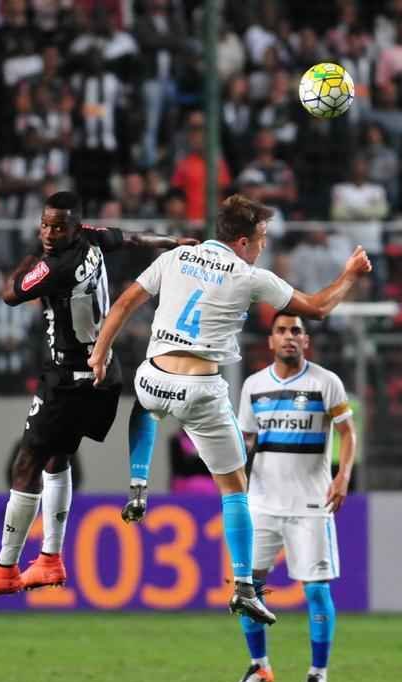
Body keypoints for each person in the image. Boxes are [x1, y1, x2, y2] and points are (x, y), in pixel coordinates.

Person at [87, 194, 371, 627]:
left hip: (152, 375)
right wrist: (350, 274)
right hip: (199, 389)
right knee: (235, 488)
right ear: (241, 241)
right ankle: (243, 586)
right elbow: (317, 308)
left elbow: (125, 303)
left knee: (145, 407)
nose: (261, 247)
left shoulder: (178, 256)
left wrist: (100, 353)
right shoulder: (248, 275)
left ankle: (138, 483)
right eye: (259, 239)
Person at [0, 191, 196, 604]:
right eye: (45, 226)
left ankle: (4, 569)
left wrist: (34, 251)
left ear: (74, 226)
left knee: (26, 463)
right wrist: (172, 241)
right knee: (57, 458)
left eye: (58, 227)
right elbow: (131, 239)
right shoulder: (91, 240)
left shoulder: (57, 264)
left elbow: (10, 293)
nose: (50, 233)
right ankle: (50, 557)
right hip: (103, 371)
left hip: (70, 376)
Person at [228, 311, 356, 682]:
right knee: (249, 588)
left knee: (316, 591)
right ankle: (259, 667)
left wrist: (343, 475)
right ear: (270, 342)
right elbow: (245, 442)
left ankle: (318, 673)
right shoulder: (253, 386)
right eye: (281, 331)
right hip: (262, 503)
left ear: (306, 341)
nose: (288, 337)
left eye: (296, 331)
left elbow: (348, 433)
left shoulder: (325, 382)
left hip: (310, 505)